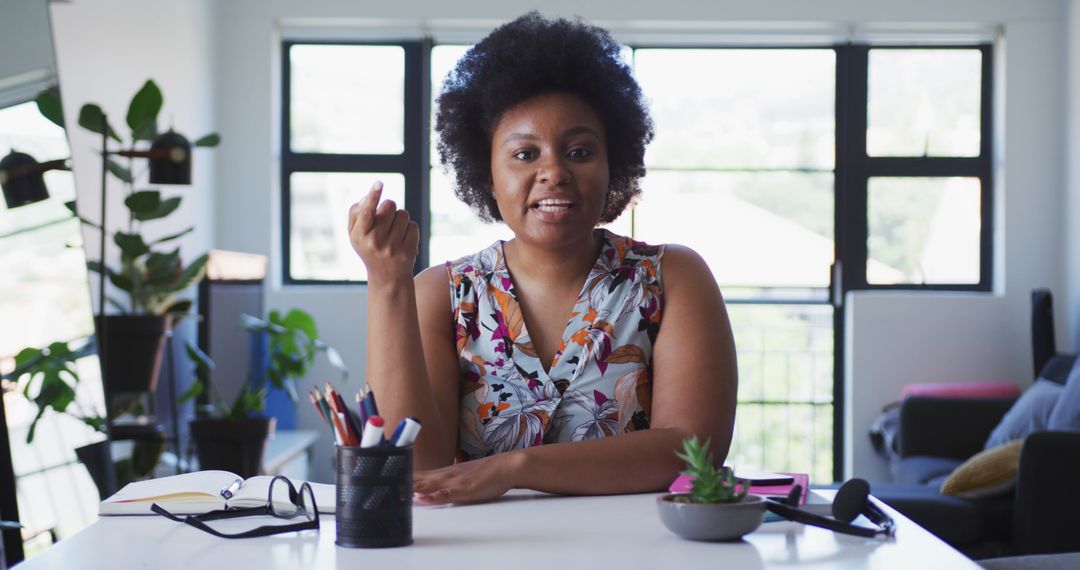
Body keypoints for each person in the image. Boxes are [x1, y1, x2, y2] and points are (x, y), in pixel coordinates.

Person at [347, 12, 737, 506]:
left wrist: (517, 468)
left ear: (611, 165)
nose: (553, 171)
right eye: (525, 154)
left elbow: (693, 451)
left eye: (578, 151)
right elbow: (417, 468)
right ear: (487, 174)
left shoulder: (672, 277)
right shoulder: (440, 294)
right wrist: (387, 284)